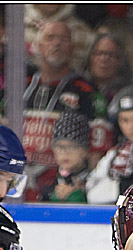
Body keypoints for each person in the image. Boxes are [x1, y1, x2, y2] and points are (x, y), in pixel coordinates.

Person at [18, 21, 113, 191]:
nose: (56, 44)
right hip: (20, 186)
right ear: (38, 45)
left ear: (72, 48)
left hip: (64, 188)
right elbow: (0, 135)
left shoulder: (88, 92)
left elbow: (98, 152)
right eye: (50, 38)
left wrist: (81, 186)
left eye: (63, 39)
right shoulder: (19, 88)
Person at [35, 109, 92, 202]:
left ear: (85, 151)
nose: (65, 152)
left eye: (72, 147)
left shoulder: (94, 180)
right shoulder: (45, 180)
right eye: (59, 147)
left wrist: (77, 194)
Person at [86, 33, 133, 119]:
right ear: (90, 57)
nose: (104, 59)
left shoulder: (127, 92)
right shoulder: (80, 87)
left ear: (119, 61)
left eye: (110, 55)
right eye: (99, 53)